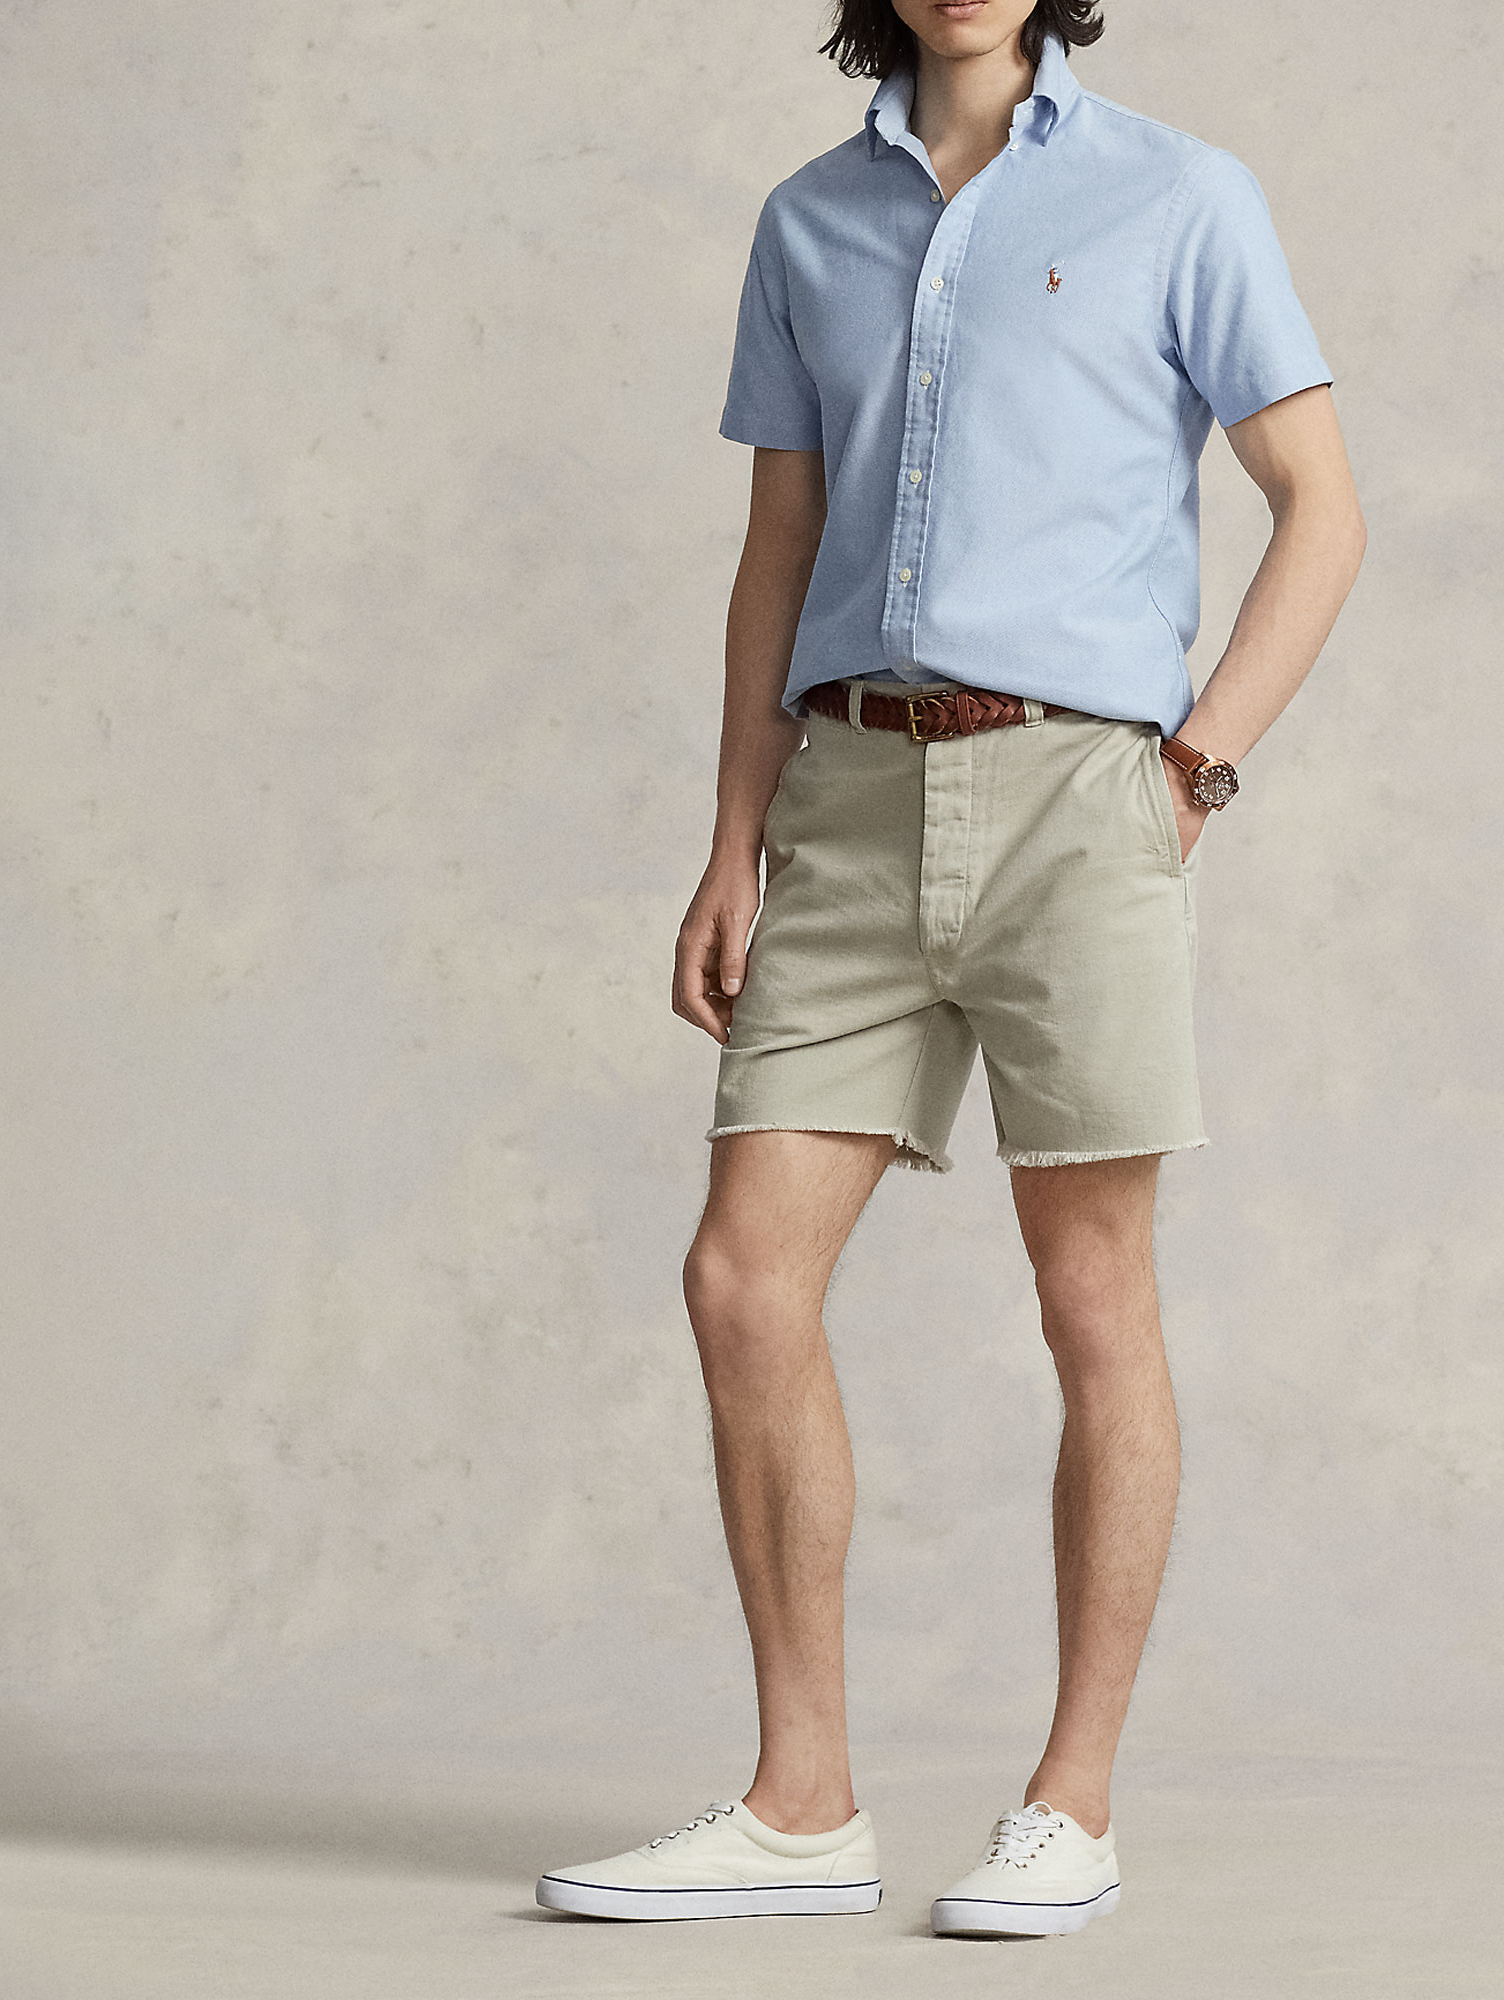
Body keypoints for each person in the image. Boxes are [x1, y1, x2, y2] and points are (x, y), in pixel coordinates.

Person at [537, 0, 1364, 1938]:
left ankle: (1072, 1804)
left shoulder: (1181, 195)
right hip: (845, 789)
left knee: (1092, 1300)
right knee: (742, 1279)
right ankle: (801, 1805)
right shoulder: (808, 221)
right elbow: (779, 547)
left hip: (1083, 791)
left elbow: (1321, 507)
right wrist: (732, 836)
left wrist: (1193, 768)